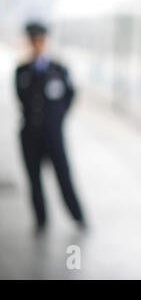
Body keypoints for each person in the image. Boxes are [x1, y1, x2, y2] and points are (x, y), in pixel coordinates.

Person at [15, 22, 86, 232]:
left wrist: (57, 119)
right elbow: (22, 99)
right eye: (33, 40)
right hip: (30, 136)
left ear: (45, 41)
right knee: (34, 180)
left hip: (53, 135)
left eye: (40, 40)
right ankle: (41, 220)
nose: (37, 44)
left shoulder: (59, 70)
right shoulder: (22, 71)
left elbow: (70, 96)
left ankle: (78, 216)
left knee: (63, 176)